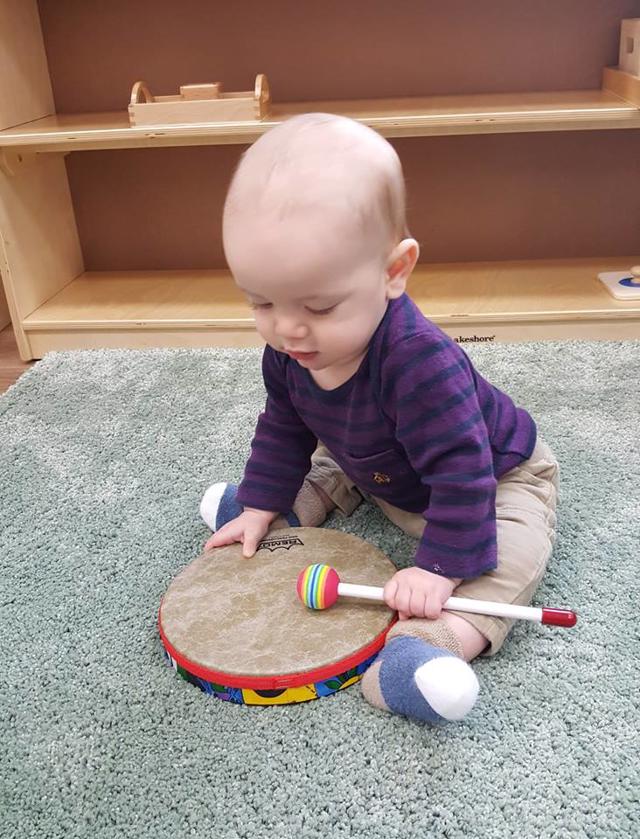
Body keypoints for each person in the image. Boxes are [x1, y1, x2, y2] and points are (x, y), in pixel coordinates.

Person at [200, 113, 559, 724]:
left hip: (490, 478)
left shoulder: (422, 364)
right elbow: (285, 425)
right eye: (261, 302)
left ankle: (434, 649)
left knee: (512, 553)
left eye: (319, 305)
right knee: (329, 453)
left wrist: (440, 567)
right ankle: (280, 510)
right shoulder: (292, 348)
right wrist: (262, 500)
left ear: (394, 272)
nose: (288, 329)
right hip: (379, 461)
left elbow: (463, 468)